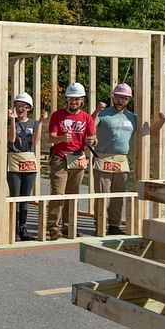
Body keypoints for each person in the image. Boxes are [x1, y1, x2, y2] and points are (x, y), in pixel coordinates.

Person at [92, 83, 165, 235]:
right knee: (101, 195)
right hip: (103, 158)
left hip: (121, 160)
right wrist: (96, 112)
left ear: (129, 100)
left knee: (118, 196)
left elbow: (150, 132)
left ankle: (114, 226)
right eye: (119, 97)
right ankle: (99, 226)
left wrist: (162, 121)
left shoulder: (132, 117)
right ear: (113, 96)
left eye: (125, 98)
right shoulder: (103, 114)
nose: (121, 101)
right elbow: (90, 128)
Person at [46, 82, 97, 240]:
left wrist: (91, 141)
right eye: (70, 98)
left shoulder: (87, 118)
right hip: (60, 157)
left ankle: (69, 227)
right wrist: (61, 138)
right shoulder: (57, 115)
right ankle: (53, 227)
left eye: (77, 99)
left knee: (72, 194)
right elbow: (50, 137)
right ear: (66, 99)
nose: (73, 102)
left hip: (78, 157)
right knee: (58, 193)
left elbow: (93, 138)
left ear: (82, 100)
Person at [7, 92, 47, 241]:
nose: (21, 109)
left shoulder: (33, 123)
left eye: (24, 107)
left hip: (29, 162)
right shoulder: (10, 121)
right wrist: (12, 121)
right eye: (18, 106)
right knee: (15, 197)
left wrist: (41, 122)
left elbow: (36, 141)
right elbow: (11, 139)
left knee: (25, 198)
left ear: (29, 108)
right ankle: (12, 227)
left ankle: (22, 227)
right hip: (14, 161)